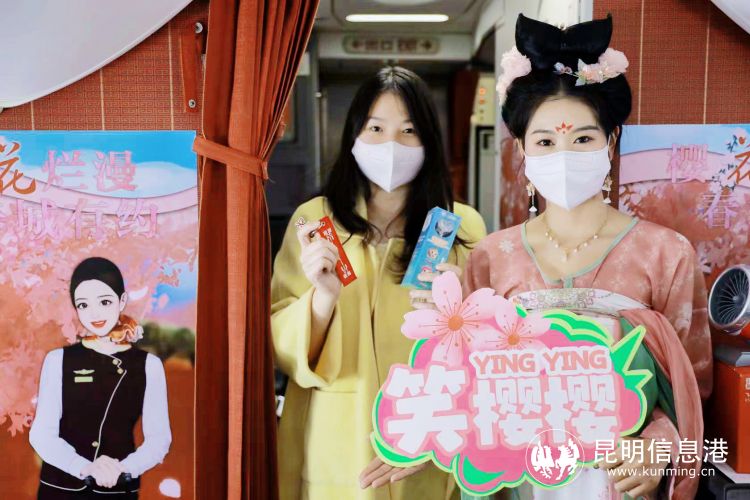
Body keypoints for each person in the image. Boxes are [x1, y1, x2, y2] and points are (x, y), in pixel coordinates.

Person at [461, 14, 712, 500]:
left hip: (622, 482)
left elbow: (691, 389)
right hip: (522, 482)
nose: (564, 154)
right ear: (523, 152)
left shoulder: (665, 254)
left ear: (610, 142)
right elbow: (468, 385)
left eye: (582, 139)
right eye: (545, 141)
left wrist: (657, 448)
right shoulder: (491, 258)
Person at [271, 66, 487, 500]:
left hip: (427, 433)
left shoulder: (461, 226)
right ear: (353, 135)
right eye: (376, 128)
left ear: (429, 142)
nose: (391, 145)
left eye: (408, 131)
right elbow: (280, 344)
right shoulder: (315, 220)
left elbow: (490, 347)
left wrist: (460, 311)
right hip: (335, 436)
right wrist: (322, 299)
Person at [29, 257, 172, 499]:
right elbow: (41, 434)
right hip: (60, 489)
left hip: (117, 488)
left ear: (122, 301)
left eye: (105, 302)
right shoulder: (57, 360)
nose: (94, 313)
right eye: (83, 305)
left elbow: (159, 439)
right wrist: (84, 467)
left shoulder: (149, 365)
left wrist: (124, 469)